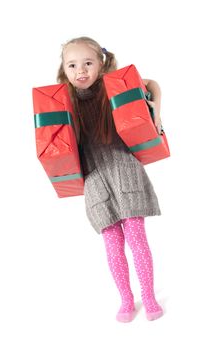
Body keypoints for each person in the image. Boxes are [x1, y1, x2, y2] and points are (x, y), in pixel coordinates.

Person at [57, 36, 164, 322]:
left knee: (137, 237)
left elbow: (152, 84)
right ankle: (127, 300)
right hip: (95, 179)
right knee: (112, 243)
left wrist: (156, 109)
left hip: (124, 169)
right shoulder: (61, 103)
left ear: (101, 65)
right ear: (64, 69)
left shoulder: (111, 88)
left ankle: (150, 297)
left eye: (88, 63)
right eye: (73, 65)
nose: (81, 70)